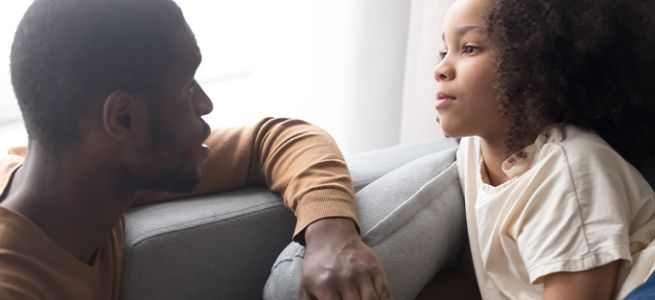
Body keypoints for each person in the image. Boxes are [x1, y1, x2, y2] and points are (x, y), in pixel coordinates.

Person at [0, 0, 392, 299]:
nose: (205, 104)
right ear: (122, 118)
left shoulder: (79, 179)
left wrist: (331, 235)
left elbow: (276, 138)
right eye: (187, 86)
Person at [424, 0, 655, 299]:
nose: (441, 69)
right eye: (444, 51)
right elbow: (477, 282)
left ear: (533, 60)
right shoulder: (472, 156)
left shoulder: (571, 166)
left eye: (469, 48)